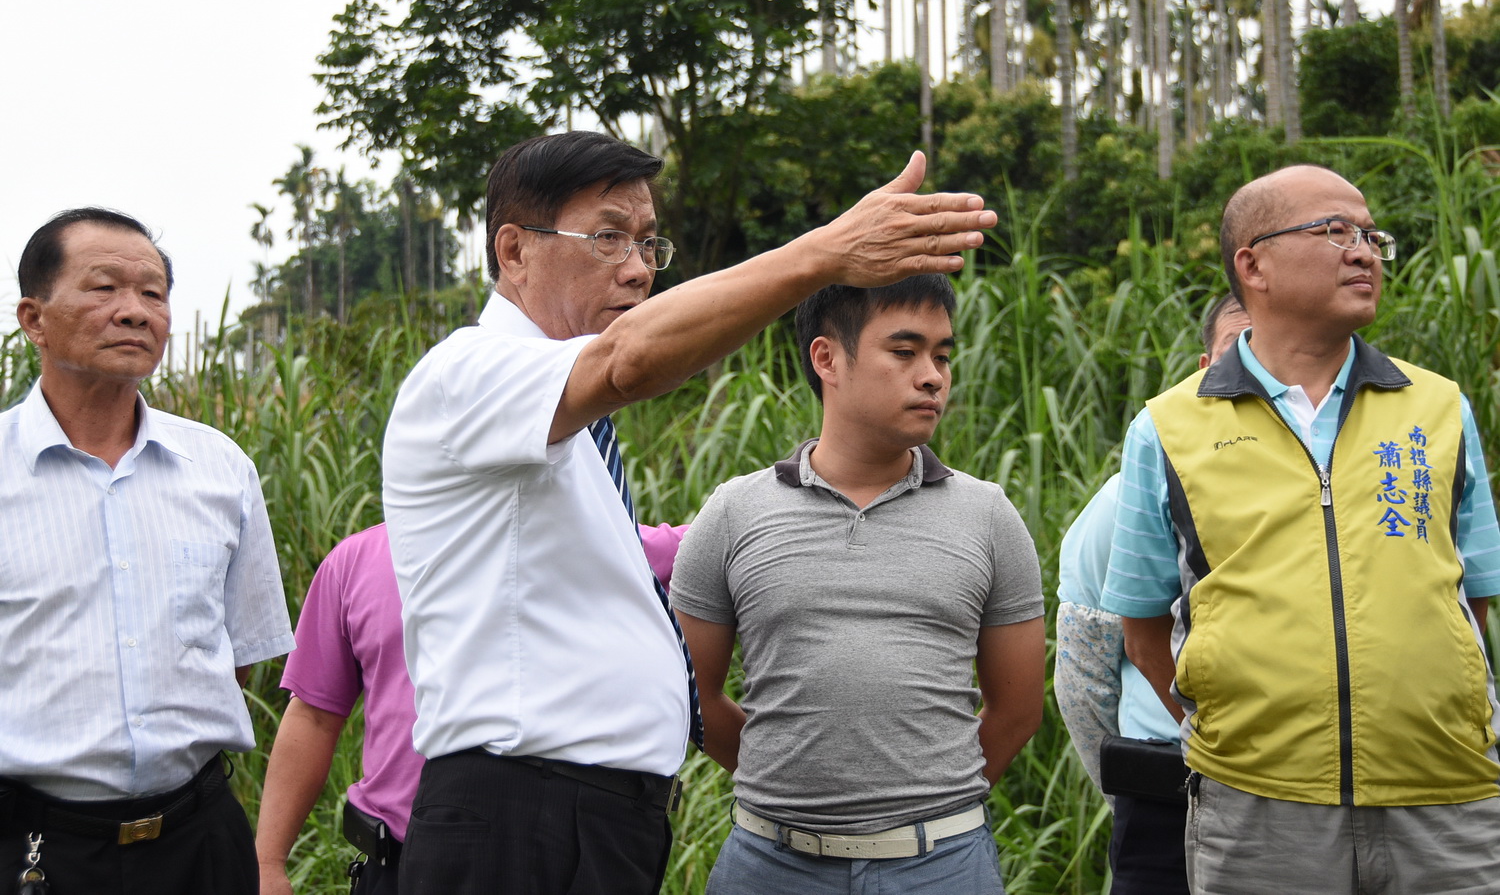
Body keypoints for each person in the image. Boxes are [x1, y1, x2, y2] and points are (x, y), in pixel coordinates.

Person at [380, 131, 994, 894]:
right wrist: (826, 254)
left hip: (586, 823)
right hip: (519, 817)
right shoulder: (468, 373)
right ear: (514, 251)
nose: (637, 269)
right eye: (607, 237)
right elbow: (631, 358)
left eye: (647, 242)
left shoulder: (562, 426)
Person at [1100, 165, 1500, 894]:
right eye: (1335, 231)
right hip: (1257, 806)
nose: (1365, 251)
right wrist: (1235, 729)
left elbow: (1471, 600)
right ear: (1252, 264)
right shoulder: (1168, 426)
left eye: (1371, 235)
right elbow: (1141, 628)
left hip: (1445, 795)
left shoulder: (1439, 408)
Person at [670, 275, 1046, 893]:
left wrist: (927, 804)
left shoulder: (988, 515)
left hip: (944, 866)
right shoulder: (735, 511)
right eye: (905, 352)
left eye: (942, 355)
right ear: (827, 359)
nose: (932, 375)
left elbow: (1017, 711)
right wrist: (788, 780)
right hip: (770, 865)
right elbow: (693, 696)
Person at [0, 208, 294, 895]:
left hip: (199, 839)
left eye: (153, 294)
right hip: (33, 849)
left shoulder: (219, 467)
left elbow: (241, 655)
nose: (134, 311)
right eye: (104, 288)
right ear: (34, 318)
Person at [255, 521, 687, 895]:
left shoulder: (598, 544)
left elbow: (717, 541)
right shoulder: (357, 560)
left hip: (540, 857)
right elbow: (313, 715)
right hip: (395, 861)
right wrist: (267, 861)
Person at [1052, 293, 1248, 895]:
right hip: (1166, 789)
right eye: (1235, 356)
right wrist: (1132, 785)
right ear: (1201, 368)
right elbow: (1084, 671)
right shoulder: (1128, 496)